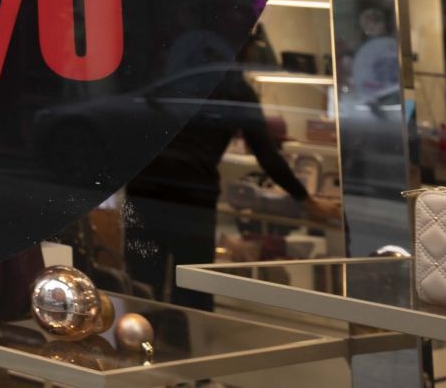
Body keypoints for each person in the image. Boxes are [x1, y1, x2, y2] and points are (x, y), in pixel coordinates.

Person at [125, 54, 341, 308]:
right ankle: (183, 344)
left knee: (143, 284)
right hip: (192, 196)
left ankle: (143, 342)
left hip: (145, 189)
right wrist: (307, 202)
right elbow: (267, 155)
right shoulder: (235, 89)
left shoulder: (169, 73)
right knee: (192, 287)